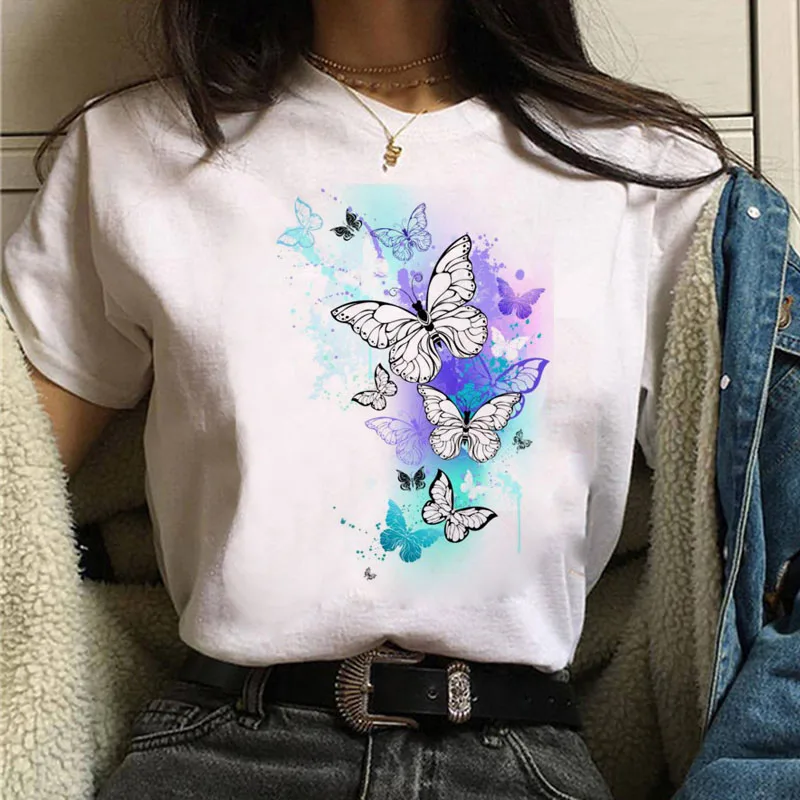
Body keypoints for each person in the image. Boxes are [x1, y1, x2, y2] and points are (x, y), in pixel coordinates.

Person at [0, 1, 747, 798]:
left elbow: (757, 541)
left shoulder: (648, 174)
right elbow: (18, 484)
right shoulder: (136, 150)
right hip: (224, 753)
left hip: (519, 756)